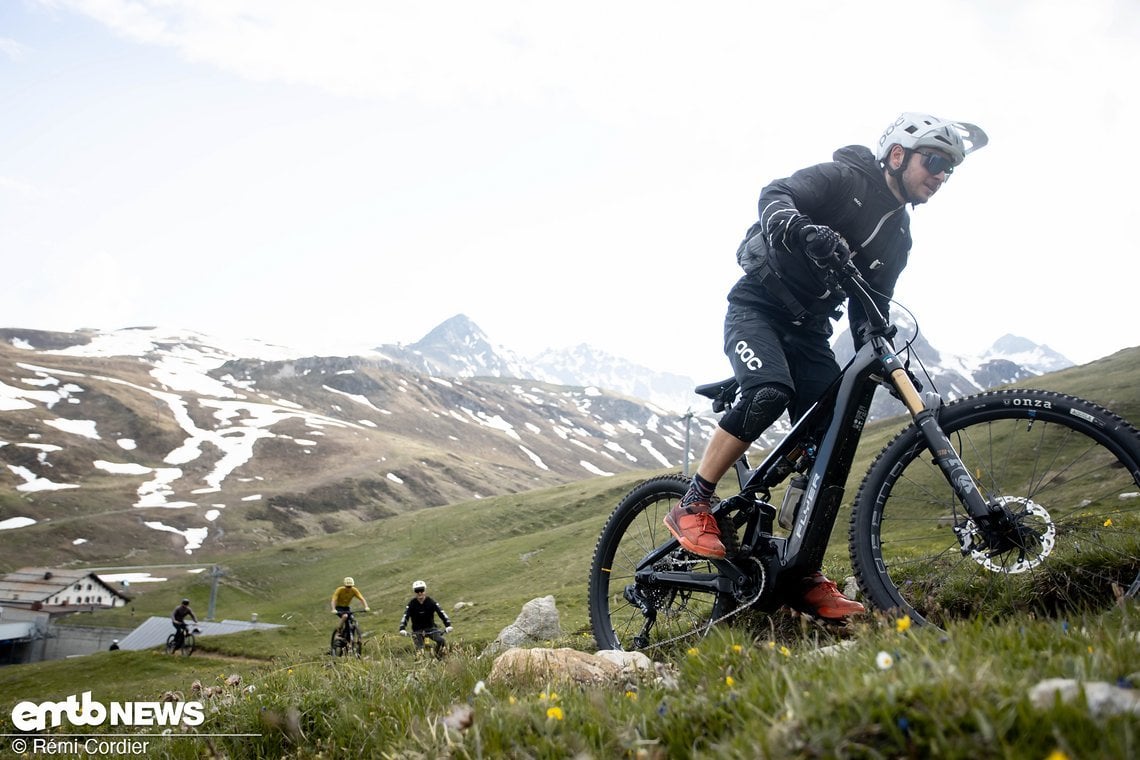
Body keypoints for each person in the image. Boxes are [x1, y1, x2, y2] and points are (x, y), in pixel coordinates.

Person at [665, 112, 988, 621]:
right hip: (759, 309)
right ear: (898, 155)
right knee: (770, 390)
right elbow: (775, 193)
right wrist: (798, 226)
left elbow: (870, 309)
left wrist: (878, 340)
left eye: (950, 169)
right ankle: (692, 501)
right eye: (936, 161)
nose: (942, 175)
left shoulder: (898, 238)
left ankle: (800, 569)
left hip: (811, 332)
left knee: (830, 445)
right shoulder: (844, 178)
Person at [398, 580, 453, 657]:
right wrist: (402, 628)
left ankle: (438, 657)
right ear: (414, 592)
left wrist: (448, 625)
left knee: (441, 641)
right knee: (420, 649)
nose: (420, 593)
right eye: (417, 591)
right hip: (417, 631)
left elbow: (441, 613)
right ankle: (422, 664)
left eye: (421, 590)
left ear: (425, 590)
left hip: (431, 629)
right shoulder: (412, 604)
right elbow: (405, 616)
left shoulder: (431, 602)